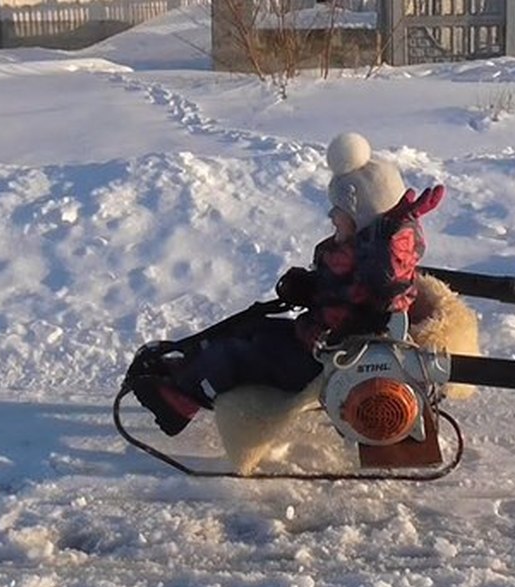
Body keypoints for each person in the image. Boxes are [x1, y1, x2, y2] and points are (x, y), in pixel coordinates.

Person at [134, 132, 444, 435]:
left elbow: (382, 280)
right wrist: (310, 286)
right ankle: (190, 370)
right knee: (251, 328)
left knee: (239, 354)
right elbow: (346, 294)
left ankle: (179, 403)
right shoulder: (356, 255)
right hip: (315, 341)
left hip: (325, 359)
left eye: (340, 210)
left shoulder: (381, 260)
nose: (332, 215)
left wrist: (390, 233)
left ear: (361, 216)